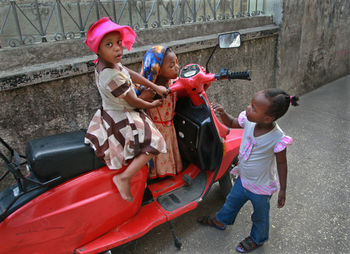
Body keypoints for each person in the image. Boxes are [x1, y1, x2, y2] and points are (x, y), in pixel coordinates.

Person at [197, 88, 299, 253]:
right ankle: (221, 221)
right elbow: (231, 122)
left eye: (253, 107)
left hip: (261, 188)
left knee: (260, 216)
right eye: (251, 104)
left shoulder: (278, 138)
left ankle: (258, 239)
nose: (247, 108)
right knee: (231, 202)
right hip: (243, 180)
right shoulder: (250, 121)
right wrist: (223, 113)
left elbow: (282, 164)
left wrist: (283, 190)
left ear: (267, 118)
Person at [84, 17, 168, 202]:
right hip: (122, 116)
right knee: (155, 144)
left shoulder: (109, 64)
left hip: (118, 109)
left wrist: (154, 87)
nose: (117, 48)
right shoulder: (110, 75)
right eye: (109, 44)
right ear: (98, 49)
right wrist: (152, 104)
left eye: (118, 42)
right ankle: (124, 177)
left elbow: (129, 73)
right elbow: (134, 102)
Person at [138, 46, 183, 178]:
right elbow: (136, 104)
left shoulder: (174, 83)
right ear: (156, 68)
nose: (177, 67)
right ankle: (158, 176)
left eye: (177, 62)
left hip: (170, 128)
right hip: (156, 130)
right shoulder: (148, 90)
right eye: (171, 65)